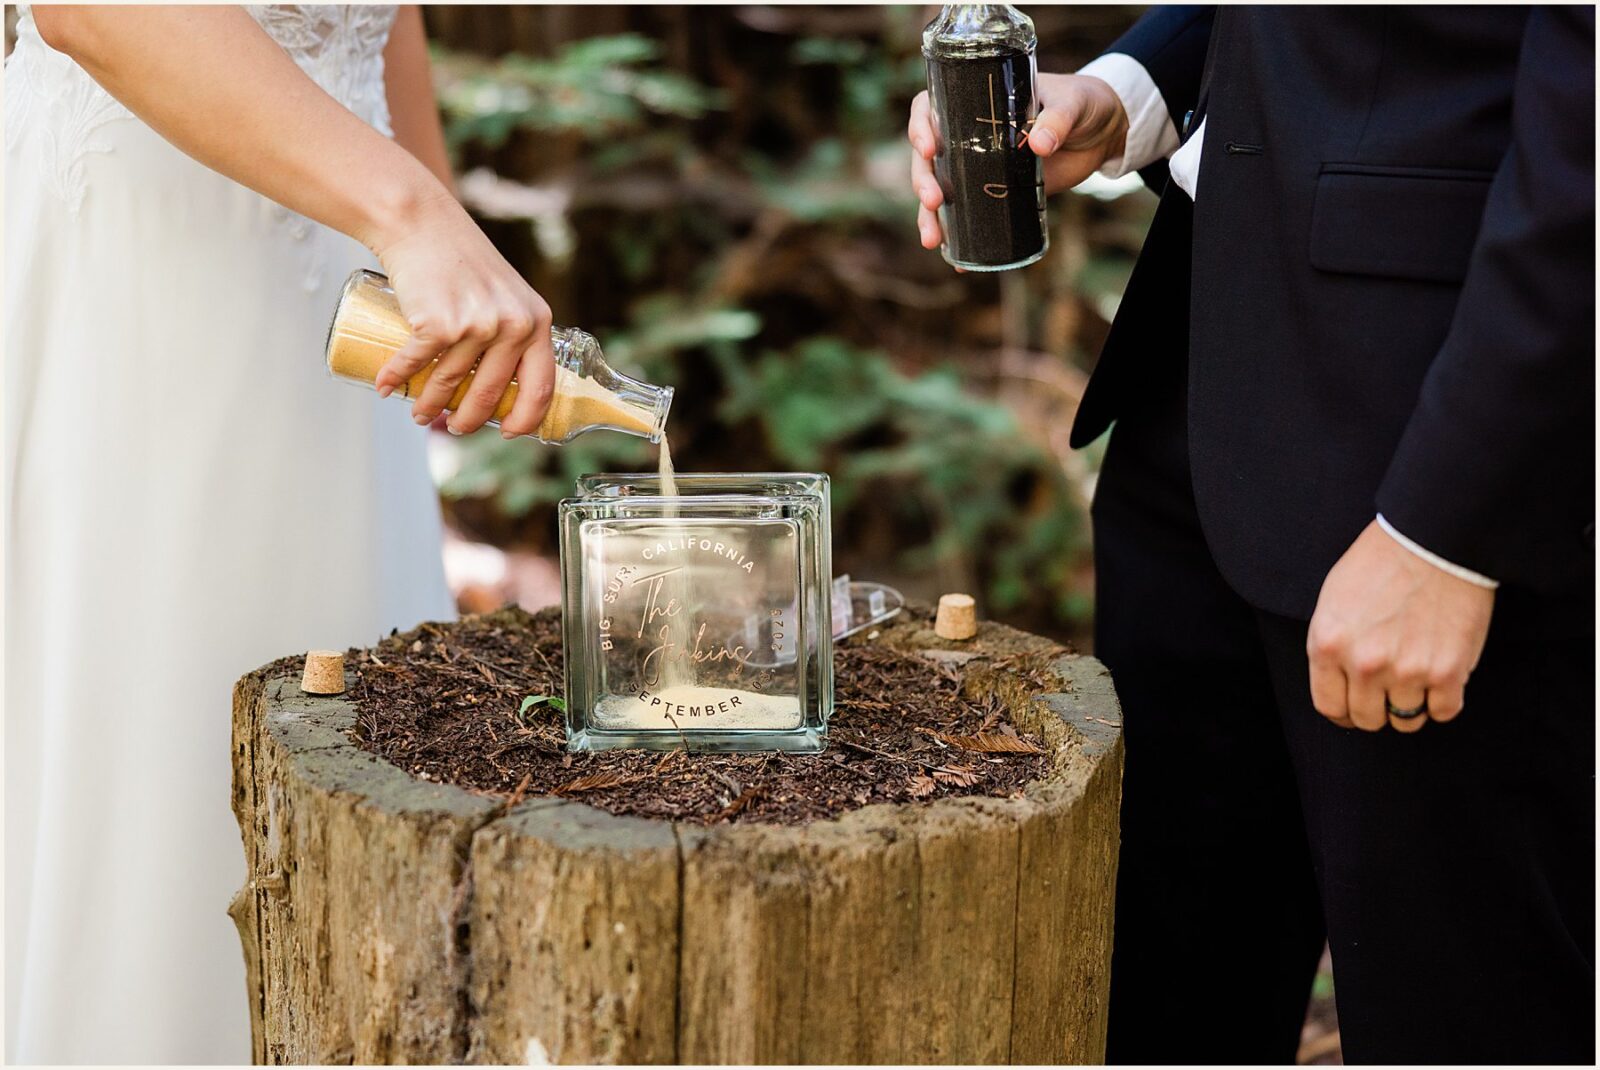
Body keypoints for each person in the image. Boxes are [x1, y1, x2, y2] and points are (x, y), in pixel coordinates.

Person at [910, 6, 1593, 1064]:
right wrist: (1134, 86)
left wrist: (1449, 526)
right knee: (1160, 997)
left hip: (1439, 437)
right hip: (1196, 392)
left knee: (1461, 1015)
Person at [5, 6, 554, 1061]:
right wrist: (408, 210)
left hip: (344, 302)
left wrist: (439, 235)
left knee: (358, 749)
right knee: (160, 783)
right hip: (145, 277)